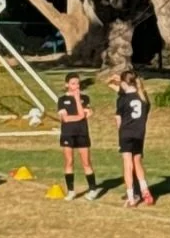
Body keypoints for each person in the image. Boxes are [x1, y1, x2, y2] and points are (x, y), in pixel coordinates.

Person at [108, 68, 154, 207]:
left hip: (126, 134)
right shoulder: (143, 98)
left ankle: (131, 196)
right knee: (137, 162)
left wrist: (120, 135)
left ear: (123, 83)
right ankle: (145, 189)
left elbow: (118, 120)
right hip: (139, 134)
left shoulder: (122, 100)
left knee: (127, 165)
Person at [57, 73, 100, 201]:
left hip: (82, 133)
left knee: (86, 162)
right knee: (69, 161)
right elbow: (65, 118)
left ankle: (92, 189)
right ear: (67, 85)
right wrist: (78, 116)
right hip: (67, 133)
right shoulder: (62, 100)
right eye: (73, 83)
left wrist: (77, 100)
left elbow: (85, 114)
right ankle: (71, 191)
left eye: (78, 83)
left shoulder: (84, 98)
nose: (76, 86)